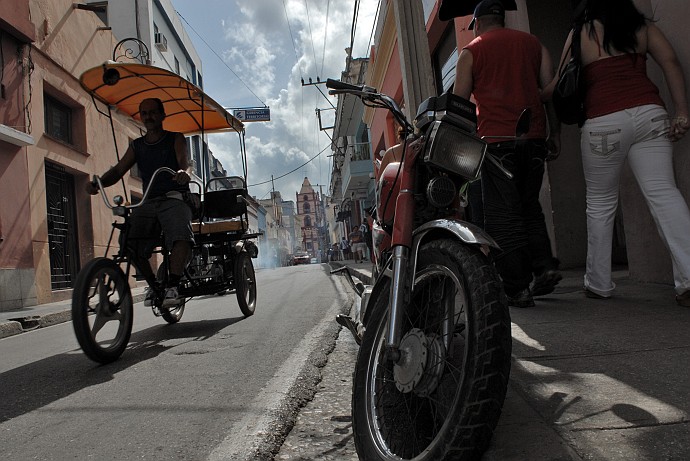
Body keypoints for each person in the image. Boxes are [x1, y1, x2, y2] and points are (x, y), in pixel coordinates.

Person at [548, 0, 690, 305]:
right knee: (664, 194)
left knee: (600, 203)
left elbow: (558, 85)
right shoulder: (642, 27)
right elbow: (671, 63)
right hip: (650, 115)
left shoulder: (580, 33)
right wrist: (681, 111)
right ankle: (689, 278)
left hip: (603, 122)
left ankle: (599, 283)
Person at [453, 0, 562, 307]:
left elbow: (460, 101)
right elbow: (549, 92)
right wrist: (556, 133)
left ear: (477, 24)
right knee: (529, 205)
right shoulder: (533, 44)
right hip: (535, 137)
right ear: (501, 19)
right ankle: (545, 266)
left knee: (503, 214)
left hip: (497, 141)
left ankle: (516, 286)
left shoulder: (471, 51)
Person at [86, 97, 194, 308]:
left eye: (153, 112)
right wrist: (98, 183)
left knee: (181, 234)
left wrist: (184, 173)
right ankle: (155, 286)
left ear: (162, 115)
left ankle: (173, 285)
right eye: (144, 113)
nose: (148, 117)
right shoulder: (137, 146)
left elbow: (185, 164)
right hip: (148, 202)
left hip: (174, 197)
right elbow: (118, 171)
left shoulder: (175, 138)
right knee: (129, 244)